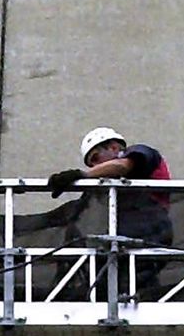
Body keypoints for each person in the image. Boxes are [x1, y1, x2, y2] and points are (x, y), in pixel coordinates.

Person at [47, 127, 173, 297]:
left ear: (114, 148)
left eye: (96, 158)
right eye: (91, 164)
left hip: (149, 232)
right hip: (129, 237)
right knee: (118, 282)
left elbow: (122, 166)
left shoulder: (142, 153)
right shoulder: (111, 188)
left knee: (134, 277)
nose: (96, 166)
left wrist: (81, 175)